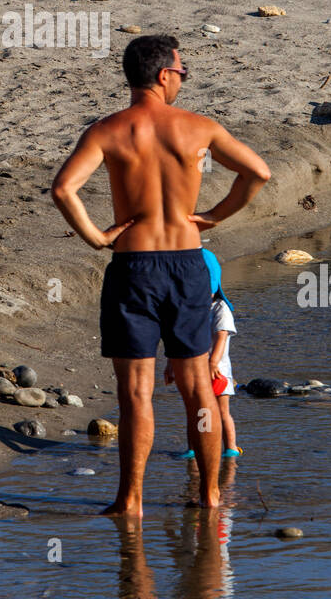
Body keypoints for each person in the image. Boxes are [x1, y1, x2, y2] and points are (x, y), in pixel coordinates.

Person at [51, 33, 270, 516]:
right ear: (164, 75)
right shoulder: (198, 128)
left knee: (134, 394)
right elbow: (257, 173)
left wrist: (96, 236)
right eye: (182, 73)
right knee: (198, 390)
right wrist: (212, 216)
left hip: (133, 266)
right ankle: (211, 496)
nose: (183, 81)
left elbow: (64, 189)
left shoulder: (107, 130)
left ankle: (130, 502)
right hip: (187, 266)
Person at [166, 248, 243, 459]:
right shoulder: (186, 310)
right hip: (194, 372)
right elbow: (177, 338)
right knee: (197, 413)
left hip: (218, 372)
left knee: (221, 411)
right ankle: (194, 448)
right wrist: (171, 364)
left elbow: (221, 336)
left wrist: (213, 362)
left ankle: (231, 447)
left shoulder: (220, 309)